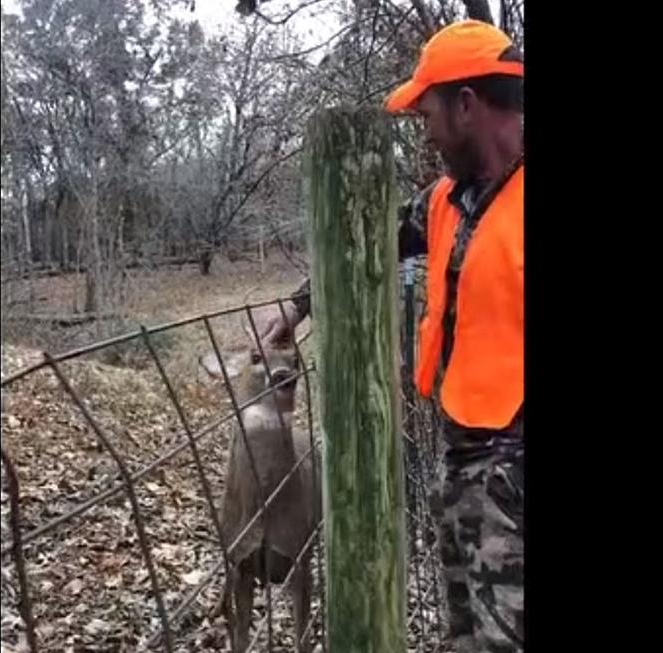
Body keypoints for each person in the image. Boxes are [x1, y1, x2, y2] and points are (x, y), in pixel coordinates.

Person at [248, 20, 524, 653]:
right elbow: (366, 243)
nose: (422, 130)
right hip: (461, 455)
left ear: (466, 104)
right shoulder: (445, 201)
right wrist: (296, 309)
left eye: (427, 111)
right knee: (468, 632)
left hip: (514, 464)